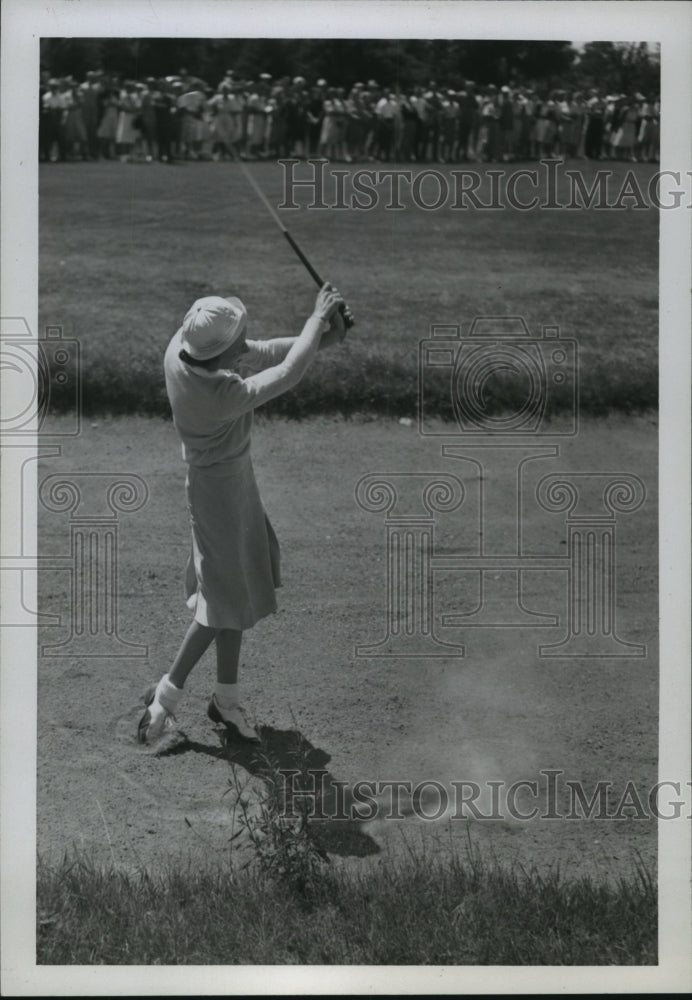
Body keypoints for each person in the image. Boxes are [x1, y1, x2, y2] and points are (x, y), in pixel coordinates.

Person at [138, 283, 352, 745]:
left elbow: (261, 352)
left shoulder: (181, 349)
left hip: (230, 485)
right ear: (220, 357)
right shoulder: (220, 394)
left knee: (231, 596)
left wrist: (324, 338)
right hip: (219, 496)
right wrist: (316, 321)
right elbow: (285, 374)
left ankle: (226, 699)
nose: (246, 338)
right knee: (219, 605)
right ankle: (166, 696)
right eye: (238, 335)